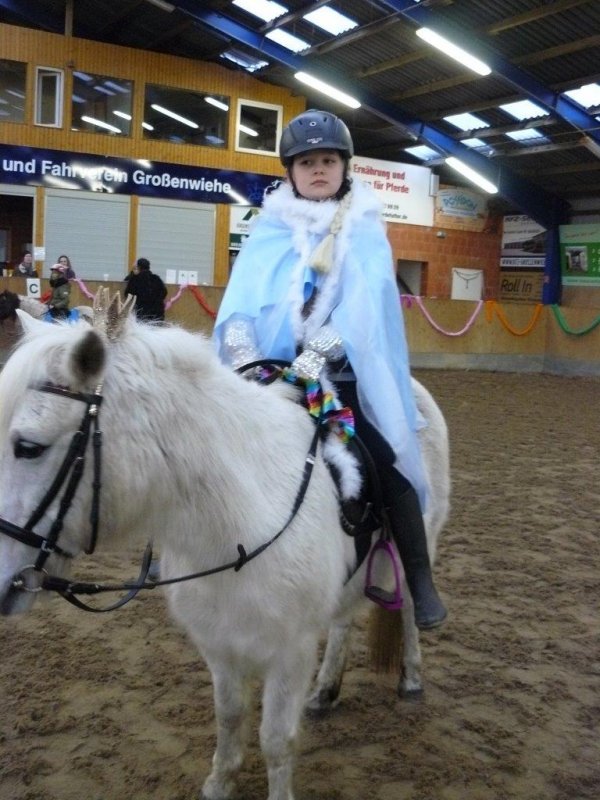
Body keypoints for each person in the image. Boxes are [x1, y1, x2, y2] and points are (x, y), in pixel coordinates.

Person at [213, 109, 447, 630]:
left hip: (339, 378)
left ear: (344, 167)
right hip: (267, 375)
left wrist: (315, 356)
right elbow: (240, 305)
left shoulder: (364, 230)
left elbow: (365, 311)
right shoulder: (268, 230)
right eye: (306, 162)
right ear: (290, 172)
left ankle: (419, 577)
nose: (318, 169)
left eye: (327, 160)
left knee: (384, 457)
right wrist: (245, 356)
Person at [124, 257, 167, 322]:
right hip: (157, 313)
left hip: (143, 313)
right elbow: (164, 292)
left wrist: (132, 273)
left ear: (138, 267)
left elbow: (128, 294)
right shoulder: (156, 278)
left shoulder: (135, 279)